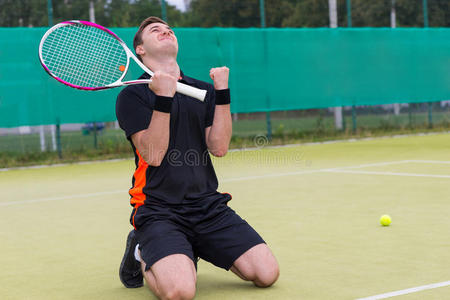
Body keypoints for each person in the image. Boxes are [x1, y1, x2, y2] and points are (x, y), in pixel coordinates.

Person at [116, 16, 279, 300]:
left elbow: (219, 147)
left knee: (266, 274)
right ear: (140, 49)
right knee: (180, 293)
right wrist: (163, 98)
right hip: (159, 209)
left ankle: (192, 247)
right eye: (155, 30)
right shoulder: (132, 95)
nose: (165, 30)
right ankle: (143, 250)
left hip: (207, 207)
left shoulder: (201, 90)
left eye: (169, 29)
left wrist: (222, 93)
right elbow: (152, 155)